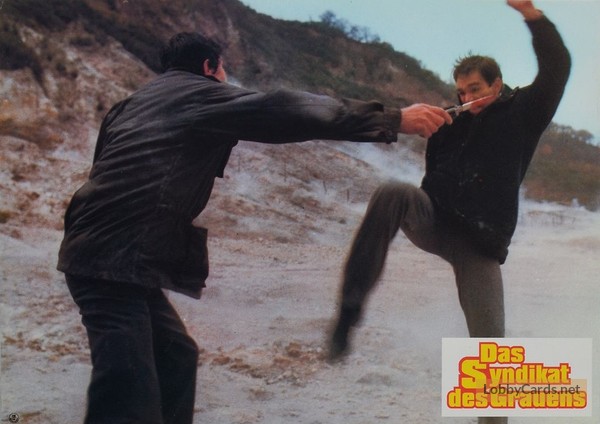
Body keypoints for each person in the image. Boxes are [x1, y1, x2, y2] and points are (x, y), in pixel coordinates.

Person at [57, 30, 450, 424]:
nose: (226, 77)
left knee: (175, 357)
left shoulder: (131, 104)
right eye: (223, 69)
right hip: (111, 259)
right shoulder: (202, 95)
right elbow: (287, 109)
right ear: (209, 67)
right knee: (127, 390)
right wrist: (393, 119)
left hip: (112, 254)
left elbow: (103, 173)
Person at [328, 1, 570, 423]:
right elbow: (432, 178)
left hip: (480, 243)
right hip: (436, 221)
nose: (467, 98)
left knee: (490, 357)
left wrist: (531, 13)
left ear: (497, 84)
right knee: (393, 192)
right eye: (461, 91)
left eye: (475, 89)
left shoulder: (523, 113)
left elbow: (557, 68)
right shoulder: (448, 123)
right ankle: (349, 311)